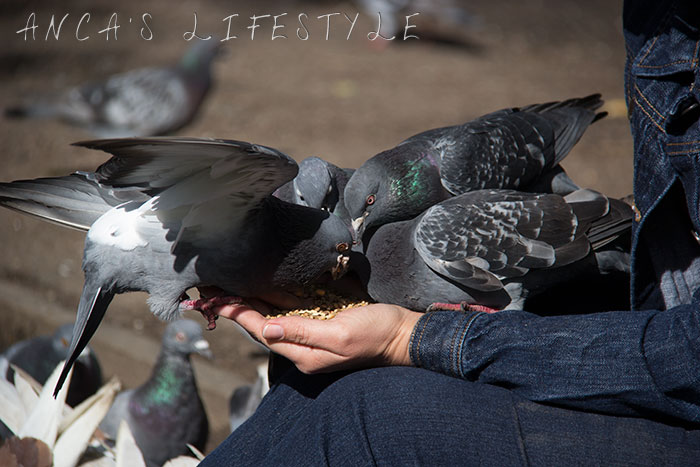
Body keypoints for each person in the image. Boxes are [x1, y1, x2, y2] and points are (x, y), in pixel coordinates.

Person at [201, 0, 700, 464]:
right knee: (302, 374)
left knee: (364, 407)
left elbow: (685, 360)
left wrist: (413, 338)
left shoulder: (455, 196)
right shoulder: (662, 20)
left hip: (670, 377)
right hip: (645, 296)